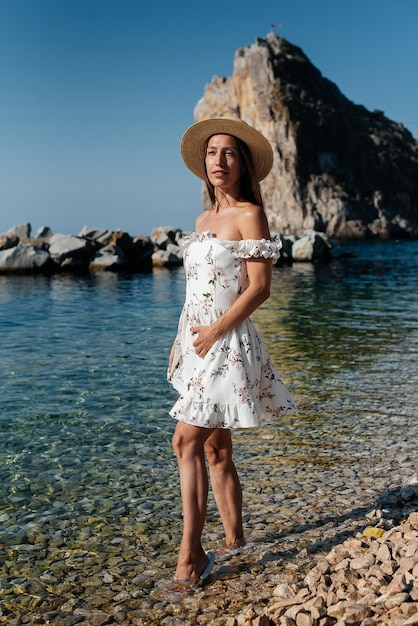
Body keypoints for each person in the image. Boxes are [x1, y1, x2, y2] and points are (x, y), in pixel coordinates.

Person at [166, 117, 296, 593]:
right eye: (212, 153)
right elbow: (197, 291)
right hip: (197, 343)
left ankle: (191, 555)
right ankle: (236, 541)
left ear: (243, 165)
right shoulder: (202, 221)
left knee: (185, 442)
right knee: (216, 448)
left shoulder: (249, 215)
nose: (218, 161)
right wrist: (181, 341)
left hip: (227, 342)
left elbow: (259, 289)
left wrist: (217, 330)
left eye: (229, 154)